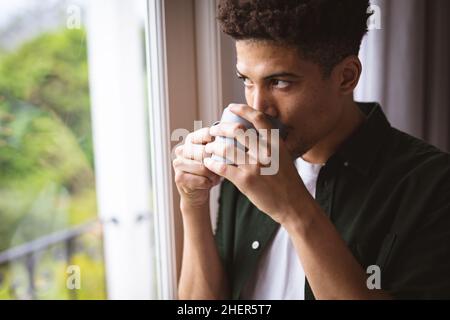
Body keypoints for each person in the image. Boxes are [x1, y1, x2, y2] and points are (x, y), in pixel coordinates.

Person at [173, 0, 450, 300]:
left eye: (279, 82)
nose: (257, 108)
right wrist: (193, 204)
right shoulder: (246, 166)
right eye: (246, 81)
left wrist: (294, 209)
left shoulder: (432, 185)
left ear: (346, 76)